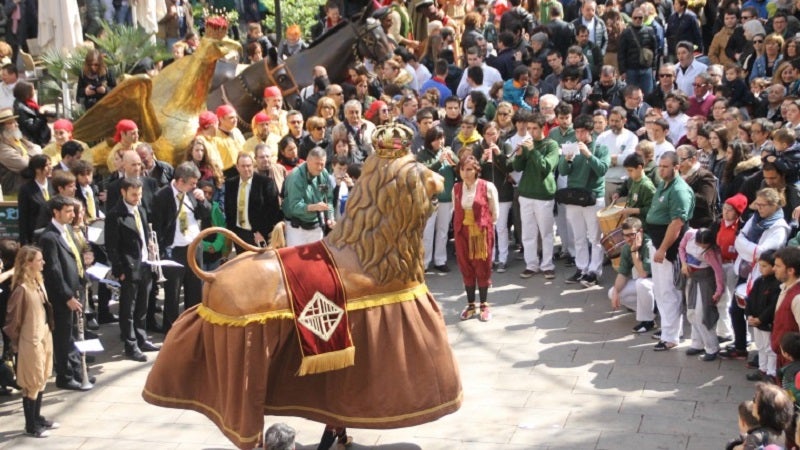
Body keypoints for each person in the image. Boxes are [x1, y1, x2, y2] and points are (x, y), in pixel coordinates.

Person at [723, 188, 791, 360]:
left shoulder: (779, 227)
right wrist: (748, 248)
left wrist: (746, 247)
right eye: (757, 204)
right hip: (746, 270)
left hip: (763, 276)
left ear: (774, 205)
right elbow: (739, 239)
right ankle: (740, 346)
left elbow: (763, 253)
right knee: (736, 310)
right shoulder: (755, 219)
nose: (758, 209)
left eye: (762, 205)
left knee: (759, 316)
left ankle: (763, 358)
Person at [39, 195, 94, 390]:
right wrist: (67, 296)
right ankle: (65, 374)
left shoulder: (68, 229)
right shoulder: (48, 237)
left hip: (76, 287)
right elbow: (53, 270)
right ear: (56, 212)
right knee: (64, 336)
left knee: (73, 334)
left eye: (73, 211)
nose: (73, 215)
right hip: (63, 295)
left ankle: (78, 370)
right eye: (68, 211)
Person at [3, 245, 57, 438]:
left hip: (44, 336)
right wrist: (18, 343)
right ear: (28, 263)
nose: (43, 263)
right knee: (32, 382)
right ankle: (30, 425)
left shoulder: (38, 283)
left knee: (42, 378)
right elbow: (12, 321)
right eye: (39, 260)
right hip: (30, 340)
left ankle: (37, 417)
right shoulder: (21, 289)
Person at [104, 177, 160, 362]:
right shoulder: (115, 215)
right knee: (128, 308)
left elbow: (144, 234)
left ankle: (141, 338)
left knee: (143, 305)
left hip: (144, 263)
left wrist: (150, 246)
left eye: (139, 194)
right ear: (123, 192)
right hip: (129, 267)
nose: (137, 198)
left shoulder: (140, 209)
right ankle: (130, 344)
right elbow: (111, 246)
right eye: (133, 194)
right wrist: (119, 268)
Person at [152, 162, 211, 334]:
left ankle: (194, 326)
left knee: (195, 290)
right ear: (180, 181)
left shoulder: (193, 193)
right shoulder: (162, 196)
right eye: (192, 183)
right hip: (174, 249)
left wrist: (202, 200)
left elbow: (206, 214)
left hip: (194, 247)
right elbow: (157, 225)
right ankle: (171, 329)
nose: (195, 186)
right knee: (173, 292)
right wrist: (162, 250)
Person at [646, 151, 695, 351]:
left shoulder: (679, 190)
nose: (662, 169)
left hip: (669, 248)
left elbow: (676, 224)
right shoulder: (663, 183)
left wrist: (663, 249)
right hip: (656, 242)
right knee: (659, 289)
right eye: (660, 165)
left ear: (677, 167)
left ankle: (671, 336)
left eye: (666, 166)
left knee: (669, 292)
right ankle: (668, 329)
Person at [557, 114, 610, 288]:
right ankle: (581, 268)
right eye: (577, 132)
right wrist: (567, 159)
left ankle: (594, 271)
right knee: (578, 236)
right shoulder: (570, 146)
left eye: (582, 132)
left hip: (593, 196)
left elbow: (602, 170)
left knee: (594, 237)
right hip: (574, 196)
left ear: (590, 131)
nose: (579, 136)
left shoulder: (600, 147)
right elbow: (563, 171)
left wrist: (588, 155)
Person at [513, 112, 559, 279]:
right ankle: (531, 264)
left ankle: (547, 265)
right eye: (529, 128)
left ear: (543, 128)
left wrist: (532, 150)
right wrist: (519, 154)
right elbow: (518, 167)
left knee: (546, 232)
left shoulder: (551, 145)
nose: (530, 132)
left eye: (534, 129)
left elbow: (546, 167)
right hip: (526, 193)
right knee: (528, 232)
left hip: (543, 194)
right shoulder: (526, 144)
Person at [454, 155, 498, 322]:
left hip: (480, 231)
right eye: (463, 169)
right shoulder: (457, 188)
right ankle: (471, 304)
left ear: (476, 170)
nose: (466, 173)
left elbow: (495, 212)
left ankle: (484, 304)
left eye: (469, 169)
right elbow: (455, 208)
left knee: (482, 266)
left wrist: (484, 225)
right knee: (465, 265)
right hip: (462, 231)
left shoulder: (487, 186)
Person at [679, 228, 725, 361]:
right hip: (692, 278)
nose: (700, 246)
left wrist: (718, 291)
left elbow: (718, 271)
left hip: (705, 280)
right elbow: (681, 248)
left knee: (702, 314)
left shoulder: (710, 253)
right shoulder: (690, 235)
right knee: (692, 313)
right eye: (699, 243)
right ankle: (697, 343)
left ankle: (712, 347)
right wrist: (683, 264)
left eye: (704, 245)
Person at [417, 126, 456, 272]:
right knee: (427, 231)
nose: (440, 141)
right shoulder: (422, 155)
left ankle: (440, 260)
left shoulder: (447, 152)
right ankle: (425, 262)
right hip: (431, 198)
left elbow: (459, 168)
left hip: (446, 197)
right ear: (430, 140)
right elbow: (424, 172)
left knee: (443, 230)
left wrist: (453, 159)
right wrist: (439, 161)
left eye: (442, 138)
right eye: (437, 139)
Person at [224, 153, 282, 251]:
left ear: (253, 165)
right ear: (237, 167)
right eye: (243, 166)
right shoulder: (230, 184)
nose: (246, 169)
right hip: (239, 233)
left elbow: (273, 210)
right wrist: (232, 231)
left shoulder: (265, 183)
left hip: (259, 234)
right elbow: (228, 208)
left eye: (249, 165)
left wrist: (261, 231)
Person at [609, 217, 656, 333]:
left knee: (642, 283)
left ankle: (648, 320)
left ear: (640, 232)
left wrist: (634, 251)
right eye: (625, 235)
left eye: (632, 235)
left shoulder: (649, 244)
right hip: (646, 284)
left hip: (659, 283)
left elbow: (643, 273)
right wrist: (615, 292)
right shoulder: (626, 247)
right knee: (613, 292)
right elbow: (622, 273)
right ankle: (652, 310)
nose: (628, 239)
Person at [281, 147, 333, 247]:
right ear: (308, 161)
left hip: (316, 225)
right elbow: (295, 206)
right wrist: (314, 207)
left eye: (322, 164)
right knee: (296, 261)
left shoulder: (324, 173)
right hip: (296, 227)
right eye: (317, 164)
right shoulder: (296, 177)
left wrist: (330, 217)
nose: (320, 167)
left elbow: (328, 198)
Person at [744, 249, 781, 382]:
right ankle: (762, 368)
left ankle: (771, 373)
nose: (761, 269)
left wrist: (761, 319)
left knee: (769, 348)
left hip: (766, 323)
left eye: (764, 266)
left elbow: (772, 306)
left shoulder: (777, 285)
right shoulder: (759, 281)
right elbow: (750, 298)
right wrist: (749, 315)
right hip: (756, 321)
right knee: (760, 346)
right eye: (760, 265)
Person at [17, 155, 53, 245]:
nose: (50, 167)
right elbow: (23, 217)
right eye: (47, 165)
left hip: (53, 233)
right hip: (35, 235)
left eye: (50, 164)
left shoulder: (53, 185)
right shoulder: (26, 189)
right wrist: (24, 242)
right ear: (37, 169)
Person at [613, 153, 656, 222]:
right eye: (627, 170)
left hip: (642, 225)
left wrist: (632, 210)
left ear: (640, 167)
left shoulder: (646, 186)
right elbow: (624, 188)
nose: (628, 173)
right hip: (632, 222)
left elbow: (653, 209)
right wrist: (618, 193)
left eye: (630, 170)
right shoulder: (633, 180)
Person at [12, 81, 50, 147]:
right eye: (33, 90)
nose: (34, 91)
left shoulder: (29, 103)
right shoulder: (20, 109)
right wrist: (41, 114)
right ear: (26, 93)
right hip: (33, 141)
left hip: (39, 138)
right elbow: (32, 128)